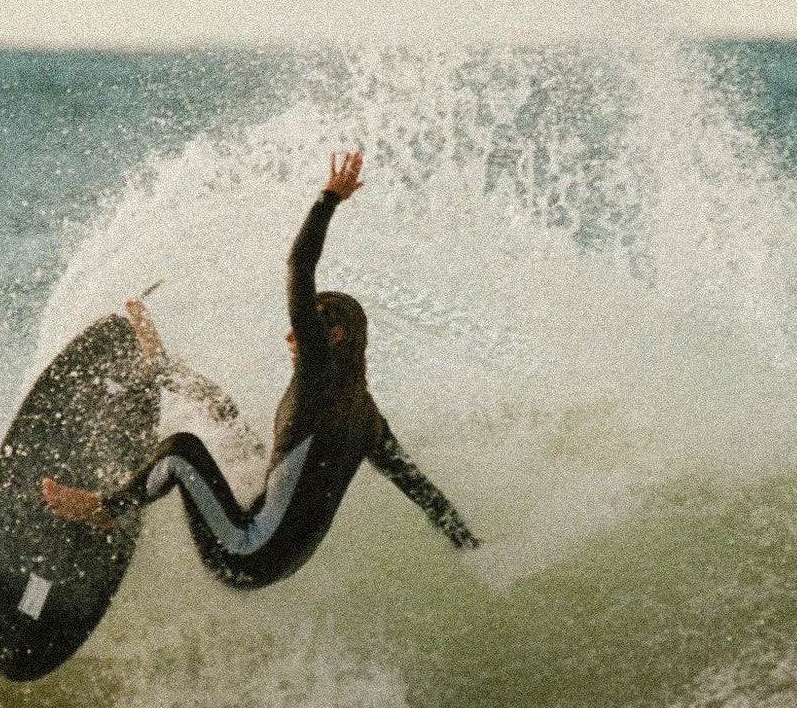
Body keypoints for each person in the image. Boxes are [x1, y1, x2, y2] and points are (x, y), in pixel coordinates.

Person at [41, 151, 479, 588]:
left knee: (180, 450)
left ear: (335, 335)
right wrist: (474, 549)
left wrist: (328, 199)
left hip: (243, 552)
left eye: (303, 328)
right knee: (222, 410)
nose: (290, 336)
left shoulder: (318, 378)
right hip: (271, 555)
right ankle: (161, 367)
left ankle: (105, 509)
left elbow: (299, 266)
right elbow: (425, 494)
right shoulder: (366, 418)